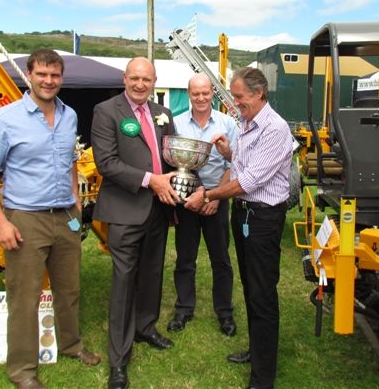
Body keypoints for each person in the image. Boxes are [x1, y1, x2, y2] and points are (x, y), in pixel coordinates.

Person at [0, 49, 101, 389]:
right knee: (24, 296)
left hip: (65, 217)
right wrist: (0, 221)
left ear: (61, 78)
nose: (48, 81)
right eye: (42, 74)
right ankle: (23, 370)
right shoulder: (4, 119)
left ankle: (72, 345)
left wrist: (75, 203)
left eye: (55, 75)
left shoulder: (69, 116)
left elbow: (72, 160)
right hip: (25, 218)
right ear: (28, 75)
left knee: (69, 288)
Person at [184, 67, 292, 389]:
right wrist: (228, 152)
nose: (235, 102)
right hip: (244, 217)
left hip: (262, 220)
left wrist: (208, 194)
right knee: (250, 289)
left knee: (263, 295)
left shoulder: (275, 128)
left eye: (239, 96)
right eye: (233, 96)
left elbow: (248, 180)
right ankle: (257, 352)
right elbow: (242, 164)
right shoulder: (246, 123)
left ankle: (263, 378)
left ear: (259, 94)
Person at [91, 56, 180, 389]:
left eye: (147, 79)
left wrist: (180, 178)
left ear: (154, 80)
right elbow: (106, 163)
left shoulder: (164, 113)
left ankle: (145, 328)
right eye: (135, 78)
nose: (141, 84)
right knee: (124, 281)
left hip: (158, 209)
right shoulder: (107, 111)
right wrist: (150, 180)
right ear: (125, 78)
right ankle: (119, 359)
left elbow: (171, 156)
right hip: (126, 210)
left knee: (152, 273)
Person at [167, 73, 239, 337]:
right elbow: (174, 163)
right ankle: (184, 309)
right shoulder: (175, 124)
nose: (200, 98)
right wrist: (193, 194)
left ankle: (225, 312)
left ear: (212, 94)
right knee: (185, 258)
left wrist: (216, 196)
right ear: (189, 94)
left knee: (221, 260)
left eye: (205, 93)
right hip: (188, 200)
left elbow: (235, 164)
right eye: (195, 93)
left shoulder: (227, 124)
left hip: (217, 199)